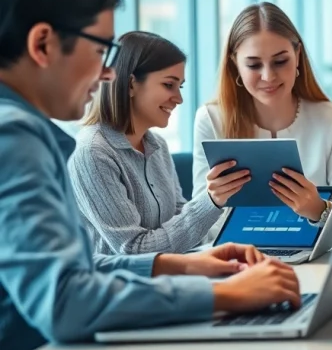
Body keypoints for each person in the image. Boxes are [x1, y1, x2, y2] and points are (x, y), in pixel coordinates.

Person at [0, 0, 299, 350]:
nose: (107, 72)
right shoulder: (13, 136)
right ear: (43, 44)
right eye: (100, 50)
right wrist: (224, 294)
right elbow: (65, 301)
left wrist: (184, 267)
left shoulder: (25, 133)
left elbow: (84, 268)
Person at [193, 2, 332, 237]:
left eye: (280, 62)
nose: (268, 76)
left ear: (297, 56)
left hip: (314, 258)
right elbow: (201, 227)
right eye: (253, 64)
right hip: (236, 258)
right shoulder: (211, 119)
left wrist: (318, 210)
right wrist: (212, 201)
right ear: (235, 64)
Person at [69, 32, 231, 255]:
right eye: (168, 85)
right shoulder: (92, 153)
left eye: (180, 87)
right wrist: (210, 200)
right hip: (123, 286)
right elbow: (134, 250)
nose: (179, 98)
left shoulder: (157, 146)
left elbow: (180, 221)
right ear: (131, 84)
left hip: (168, 277)